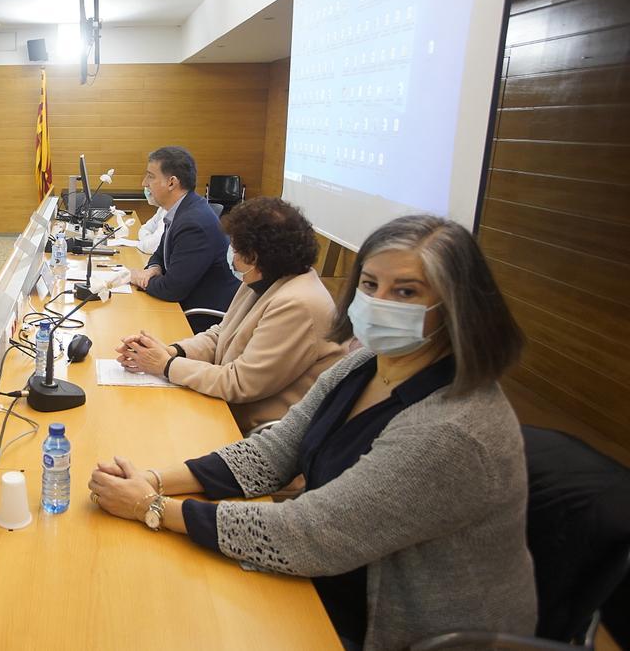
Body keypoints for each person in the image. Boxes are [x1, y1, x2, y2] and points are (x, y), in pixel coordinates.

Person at [88, 215, 534, 650]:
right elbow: (277, 450)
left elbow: (310, 534)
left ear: (457, 305)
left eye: (406, 292)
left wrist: (152, 508)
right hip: (331, 568)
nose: (379, 301)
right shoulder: (365, 365)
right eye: (370, 284)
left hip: (392, 626)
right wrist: (155, 478)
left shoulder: (452, 431)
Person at [116, 198, 347, 431]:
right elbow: (222, 334)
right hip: (224, 404)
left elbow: (239, 383)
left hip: (254, 427)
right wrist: (173, 351)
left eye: (235, 249)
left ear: (255, 256)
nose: (232, 257)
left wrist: (166, 365)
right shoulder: (265, 276)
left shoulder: (297, 305)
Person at [128, 147, 237, 333]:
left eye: (150, 177)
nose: (144, 183)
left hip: (202, 319)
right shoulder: (182, 210)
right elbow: (159, 254)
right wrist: (153, 268)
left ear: (172, 183)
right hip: (184, 304)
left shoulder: (193, 222)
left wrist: (138, 278)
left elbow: (171, 289)